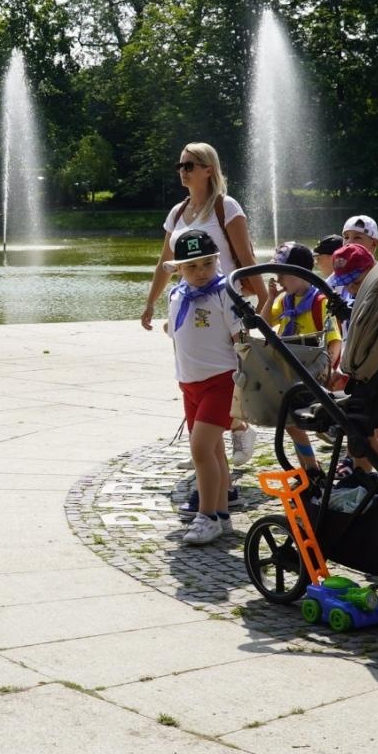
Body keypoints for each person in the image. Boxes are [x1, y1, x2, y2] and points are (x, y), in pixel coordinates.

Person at [140, 142, 263, 467]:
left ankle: (216, 445)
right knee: (194, 374)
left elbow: (246, 257)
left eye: (189, 165)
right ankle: (218, 442)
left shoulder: (226, 207)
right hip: (190, 303)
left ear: (208, 169)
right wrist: (151, 302)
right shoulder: (177, 213)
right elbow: (165, 262)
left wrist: (265, 300)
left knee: (220, 375)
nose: (182, 171)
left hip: (223, 302)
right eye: (180, 166)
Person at [161, 229, 245, 546]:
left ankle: (206, 515)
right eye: (192, 266)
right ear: (179, 269)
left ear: (217, 261)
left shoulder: (224, 292)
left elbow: (240, 338)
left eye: (207, 264)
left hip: (221, 381)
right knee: (214, 450)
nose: (200, 272)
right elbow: (178, 335)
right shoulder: (177, 295)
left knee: (200, 449)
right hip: (190, 384)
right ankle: (221, 513)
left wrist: (245, 379)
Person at [267, 241, 342, 483]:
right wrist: (270, 298)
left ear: (300, 272)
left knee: (296, 422)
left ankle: (312, 469)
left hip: (312, 375)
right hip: (290, 372)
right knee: (291, 423)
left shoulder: (320, 301)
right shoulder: (284, 301)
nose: (278, 279)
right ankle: (310, 469)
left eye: (282, 273)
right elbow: (265, 323)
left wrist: (327, 372)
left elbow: (334, 341)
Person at [324, 242, 378, 474]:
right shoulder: (358, 299)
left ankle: (371, 476)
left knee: (357, 424)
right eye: (346, 284)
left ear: (373, 270)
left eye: (356, 282)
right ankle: (367, 467)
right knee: (354, 420)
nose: (352, 288)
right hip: (365, 377)